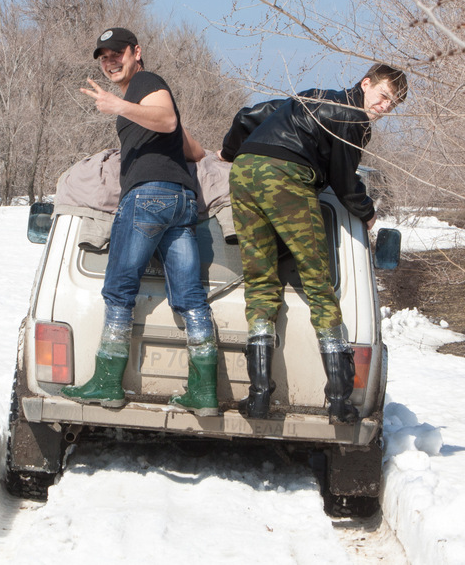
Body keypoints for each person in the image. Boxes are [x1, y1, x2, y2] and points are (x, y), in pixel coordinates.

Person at [218, 64, 408, 423]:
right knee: (318, 280)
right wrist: (367, 213)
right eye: (384, 96)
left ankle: (258, 396)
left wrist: (228, 153)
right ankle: (339, 399)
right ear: (366, 83)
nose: (385, 107)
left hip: (244, 171)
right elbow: (344, 180)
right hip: (285, 175)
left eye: (392, 104)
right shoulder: (354, 118)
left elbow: (247, 116)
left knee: (260, 280)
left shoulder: (310, 98)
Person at [61, 27, 220, 417]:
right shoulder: (143, 95)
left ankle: (107, 382)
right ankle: (204, 392)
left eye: (117, 53)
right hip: (181, 201)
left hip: (148, 197)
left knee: (119, 289)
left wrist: (118, 106)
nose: (110, 62)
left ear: (136, 51)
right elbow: (193, 148)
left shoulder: (146, 83)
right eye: (104, 58)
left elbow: (166, 119)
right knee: (190, 297)